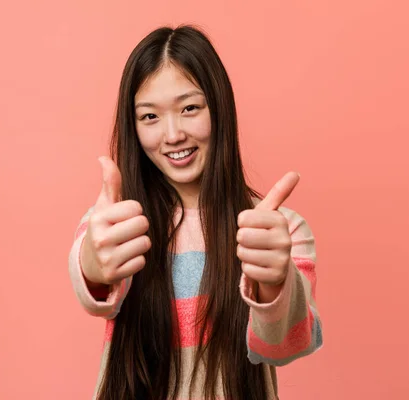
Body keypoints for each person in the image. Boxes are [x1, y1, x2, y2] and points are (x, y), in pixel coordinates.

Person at [68, 25, 323, 400]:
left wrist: (273, 282)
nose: (172, 135)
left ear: (219, 108)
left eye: (189, 108)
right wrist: (92, 264)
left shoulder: (276, 230)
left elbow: (286, 345)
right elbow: (92, 273)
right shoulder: (116, 223)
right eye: (150, 117)